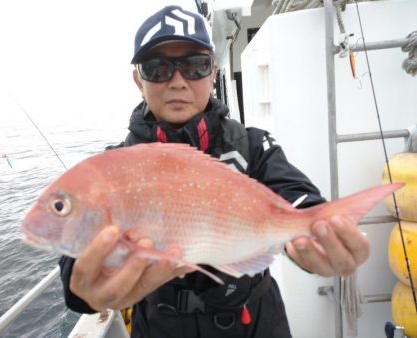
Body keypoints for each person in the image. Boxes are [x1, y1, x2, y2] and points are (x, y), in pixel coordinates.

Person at [59, 5, 370, 338]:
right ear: (138, 79)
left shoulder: (253, 146)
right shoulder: (115, 168)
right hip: (162, 328)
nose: (177, 81)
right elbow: (74, 262)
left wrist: (321, 240)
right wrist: (83, 289)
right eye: (157, 68)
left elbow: (298, 199)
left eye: (195, 65)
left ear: (212, 71)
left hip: (255, 323)